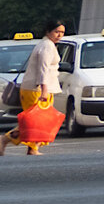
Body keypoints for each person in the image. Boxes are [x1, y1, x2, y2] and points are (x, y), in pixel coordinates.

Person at [3, 22, 64, 155]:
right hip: (36, 89)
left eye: (62, 32)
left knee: (36, 120)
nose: (59, 35)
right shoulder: (47, 46)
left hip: (38, 88)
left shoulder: (47, 45)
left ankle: (28, 146)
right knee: (35, 120)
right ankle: (19, 144)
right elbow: (43, 69)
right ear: (48, 31)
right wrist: (44, 90)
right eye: (56, 31)